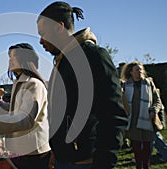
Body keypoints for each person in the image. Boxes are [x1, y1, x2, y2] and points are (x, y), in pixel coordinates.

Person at [37, 2, 128, 169]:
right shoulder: (61, 63)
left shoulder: (93, 56)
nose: (40, 41)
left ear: (59, 27)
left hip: (86, 162)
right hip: (64, 160)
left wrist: (104, 162)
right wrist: (56, 152)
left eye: (43, 34)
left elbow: (113, 115)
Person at [0, 43, 51, 169]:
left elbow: (26, 118)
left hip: (33, 153)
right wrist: (0, 104)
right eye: (9, 56)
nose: (10, 60)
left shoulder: (33, 84)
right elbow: (17, 108)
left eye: (14, 56)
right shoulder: (20, 83)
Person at [121, 61, 162, 169]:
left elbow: (157, 101)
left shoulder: (149, 83)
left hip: (147, 120)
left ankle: (146, 167)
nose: (140, 72)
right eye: (137, 70)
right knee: (137, 148)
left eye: (141, 69)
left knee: (147, 149)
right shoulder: (125, 85)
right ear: (131, 72)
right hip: (133, 120)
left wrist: (154, 110)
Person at [152, 89, 167, 162]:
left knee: (156, 138)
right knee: (154, 139)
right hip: (154, 121)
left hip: (155, 121)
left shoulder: (158, 103)